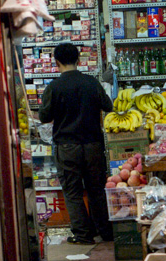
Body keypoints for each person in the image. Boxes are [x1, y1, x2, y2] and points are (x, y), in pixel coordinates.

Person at [39, 43, 114, 244]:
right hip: (93, 145)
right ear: (78, 60)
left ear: (56, 62)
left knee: (73, 192)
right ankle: (105, 231)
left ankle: (83, 235)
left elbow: (44, 117)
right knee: (96, 189)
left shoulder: (53, 87)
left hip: (66, 146)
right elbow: (109, 106)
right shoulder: (91, 83)